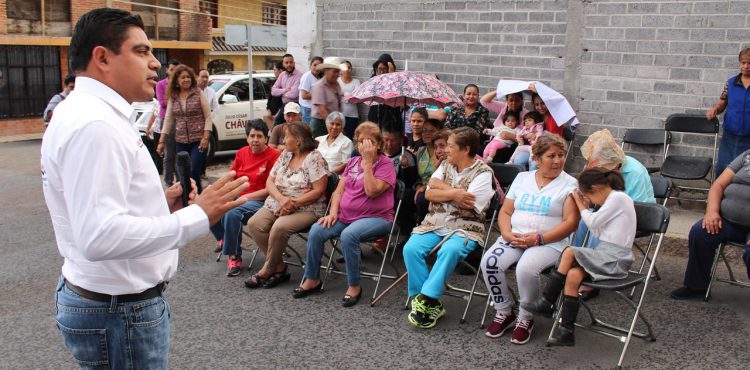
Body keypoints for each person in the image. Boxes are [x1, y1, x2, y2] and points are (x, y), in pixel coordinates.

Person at [43, 9, 248, 368]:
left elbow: (100, 212)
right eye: (141, 51)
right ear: (102, 57)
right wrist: (198, 217)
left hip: (109, 302)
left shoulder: (87, 112)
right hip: (118, 310)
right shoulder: (96, 124)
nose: (155, 64)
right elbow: (99, 236)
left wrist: (160, 204)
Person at [480, 134, 579, 345]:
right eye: (551, 156)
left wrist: (539, 238)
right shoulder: (522, 178)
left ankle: (525, 318)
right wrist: (506, 234)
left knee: (525, 268)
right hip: (515, 236)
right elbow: (506, 212)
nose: (557, 160)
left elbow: (571, 223)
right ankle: (504, 310)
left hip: (550, 242)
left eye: (561, 155)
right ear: (537, 157)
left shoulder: (570, 184)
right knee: (489, 262)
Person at [525, 168, 636, 346]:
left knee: (569, 251)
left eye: (589, 197)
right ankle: (566, 331)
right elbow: (596, 229)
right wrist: (588, 206)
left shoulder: (618, 198)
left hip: (616, 258)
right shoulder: (610, 201)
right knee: (573, 275)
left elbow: (591, 222)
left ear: (596, 188)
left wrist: (579, 202)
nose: (590, 202)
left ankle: (547, 301)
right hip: (604, 254)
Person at [294, 122, 396, 306]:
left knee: (349, 235)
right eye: (360, 142)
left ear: (379, 144)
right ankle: (312, 278)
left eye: (369, 142)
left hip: (376, 217)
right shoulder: (352, 163)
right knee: (317, 230)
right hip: (346, 216)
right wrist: (332, 212)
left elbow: (372, 191)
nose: (364, 146)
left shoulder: (386, 164)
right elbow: (339, 191)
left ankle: (354, 285)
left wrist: (367, 164)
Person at [403, 127, 494, 329]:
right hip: (435, 223)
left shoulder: (484, 173)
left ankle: (427, 299)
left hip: (465, 227)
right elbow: (428, 194)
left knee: (449, 250)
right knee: (411, 248)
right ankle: (425, 302)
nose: (446, 150)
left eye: (451, 146)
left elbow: (468, 203)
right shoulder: (446, 165)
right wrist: (454, 193)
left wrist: (442, 190)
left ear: (465, 149)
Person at [244, 122, 329, 289]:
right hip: (278, 202)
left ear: (297, 140)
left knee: (279, 227)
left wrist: (293, 203)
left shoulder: (314, 158)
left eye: (287, 136)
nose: (283, 140)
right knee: (255, 224)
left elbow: (319, 190)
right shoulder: (285, 155)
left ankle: (268, 269)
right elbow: (270, 181)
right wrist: (282, 199)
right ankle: (279, 266)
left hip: (307, 207)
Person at [670, 149, 750, 300]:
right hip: (727, 221)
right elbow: (718, 185)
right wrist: (712, 211)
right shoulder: (747, 155)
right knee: (700, 232)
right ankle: (697, 286)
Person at [209, 119, 280, 276]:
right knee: (208, 206)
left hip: (260, 201)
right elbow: (231, 175)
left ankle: (234, 255)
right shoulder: (242, 152)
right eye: (252, 136)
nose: (255, 140)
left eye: (259, 136)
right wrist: (218, 190)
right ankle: (223, 237)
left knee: (231, 213)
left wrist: (243, 196)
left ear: (266, 138)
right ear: (247, 138)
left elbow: (269, 189)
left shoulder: (274, 156)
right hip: (239, 195)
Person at [573, 129, 655, 248]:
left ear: (614, 165)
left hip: (633, 215)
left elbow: (635, 208)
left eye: (600, 169)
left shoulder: (635, 172)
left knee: (601, 225)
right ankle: (576, 255)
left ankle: (592, 262)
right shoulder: (602, 167)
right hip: (606, 210)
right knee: (582, 220)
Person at [157, 64, 213, 193]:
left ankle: (197, 199)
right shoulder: (174, 96)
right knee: (183, 173)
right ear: (176, 80)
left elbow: (208, 116)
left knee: (193, 170)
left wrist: (205, 137)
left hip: (199, 140)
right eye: (183, 77)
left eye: (188, 77)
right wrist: (161, 141)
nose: (186, 80)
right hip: (181, 141)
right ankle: (187, 200)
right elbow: (169, 119)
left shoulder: (198, 93)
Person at [706, 48, 750, 175]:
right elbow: (722, 103)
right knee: (723, 170)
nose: (746, 66)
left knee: (745, 174)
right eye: (743, 62)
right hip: (730, 137)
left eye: (749, 63)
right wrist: (715, 109)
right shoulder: (730, 83)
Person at [382, 123, 419, 235]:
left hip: (395, 194)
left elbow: (408, 183)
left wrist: (406, 168)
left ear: (400, 141)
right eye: (386, 140)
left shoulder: (407, 157)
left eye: (393, 140)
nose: (389, 144)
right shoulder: (377, 154)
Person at [156, 59, 181, 186]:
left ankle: (179, 180)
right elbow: (163, 103)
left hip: (180, 121)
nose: (173, 72)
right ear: (167, 70)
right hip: (167, 121)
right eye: (171, 69)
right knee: (169, 153)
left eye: (176, 70)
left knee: (179, 153)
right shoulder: (161, 84)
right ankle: (168, 181)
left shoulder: (181, 85)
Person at [414, 119, 444, 222]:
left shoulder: (442, 152)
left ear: (439, 132)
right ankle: (408, 228)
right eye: (424, 130)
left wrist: (426, 187)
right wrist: (418, 185)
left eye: (431, 131)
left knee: (422, 198)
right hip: (421, 188)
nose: (426, 134)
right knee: (403, 195)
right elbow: (418, 177)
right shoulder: (420, 151)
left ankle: (422, 225)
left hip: (437, 189)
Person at [310, 57, 343, 138]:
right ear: (326, 71)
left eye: (338, 72)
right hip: (320, 124)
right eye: (334, 71)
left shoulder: (337, 84)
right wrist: (333, 126)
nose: (337, 74)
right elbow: (322, 110)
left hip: (333, 124)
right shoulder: (319, 86)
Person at [367, 54, 401, 128]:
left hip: (390, 114)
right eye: (379, 68)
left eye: (384, 69)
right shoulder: (373, 79)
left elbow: (396, 94)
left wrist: (391, 76)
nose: (381, 72)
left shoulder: (397, 80)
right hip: (375, 113)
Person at [271, 54, 303, 126]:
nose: (289, 65)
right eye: (286, 62)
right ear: (283, 64)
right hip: (285, 105)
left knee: (295, 127)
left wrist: (280, 92)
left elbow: (293, 94)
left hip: (296, 105)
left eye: (291, 62)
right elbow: (273, 91)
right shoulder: (282, 75)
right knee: (277, 126)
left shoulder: (299, 75)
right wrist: (285, 90)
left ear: (294, 63)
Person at [338, 60, 361, 139]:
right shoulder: (336, 81)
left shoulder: (356, 82)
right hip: (338, 115)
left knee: (350, 139)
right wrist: (349, 95)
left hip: (352, 116)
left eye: (349, 68)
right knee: (338, 138)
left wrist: (343, 94)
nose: (347, 70)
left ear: (351, 69)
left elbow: (356, 98)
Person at [298, 56, 323, 123]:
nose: (316, 68)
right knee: (308, 131)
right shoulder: (307, 76)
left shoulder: (318, 77)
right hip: (307, 110)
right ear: (310, 65)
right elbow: (304, 96)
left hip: (314, 109)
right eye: (315, 65)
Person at [266, 61, 285, 127]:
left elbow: (284, 101)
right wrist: (268, 110)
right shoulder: (274, 82)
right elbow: (269, 97)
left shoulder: (285, 84)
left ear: (280, 71)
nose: (274, 72)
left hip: (280, 115)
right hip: (272, 114)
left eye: (275, 70)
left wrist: (278, 114)